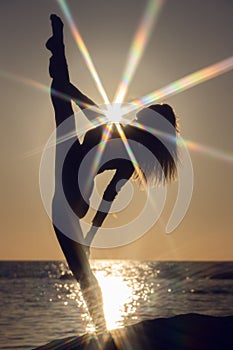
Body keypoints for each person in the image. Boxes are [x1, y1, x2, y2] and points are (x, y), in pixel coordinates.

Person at [46, 14, 179, 333]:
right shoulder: (133, 149)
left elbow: (108, 195)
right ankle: (57, 44)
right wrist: (90, 234)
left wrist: (89, 234)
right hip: (75, 189)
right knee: (58, 92)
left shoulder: (129, 140)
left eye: (148, 111)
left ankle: (102, 331)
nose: (141, 110)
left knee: (83, 275)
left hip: (70, 186)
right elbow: (107, 196)